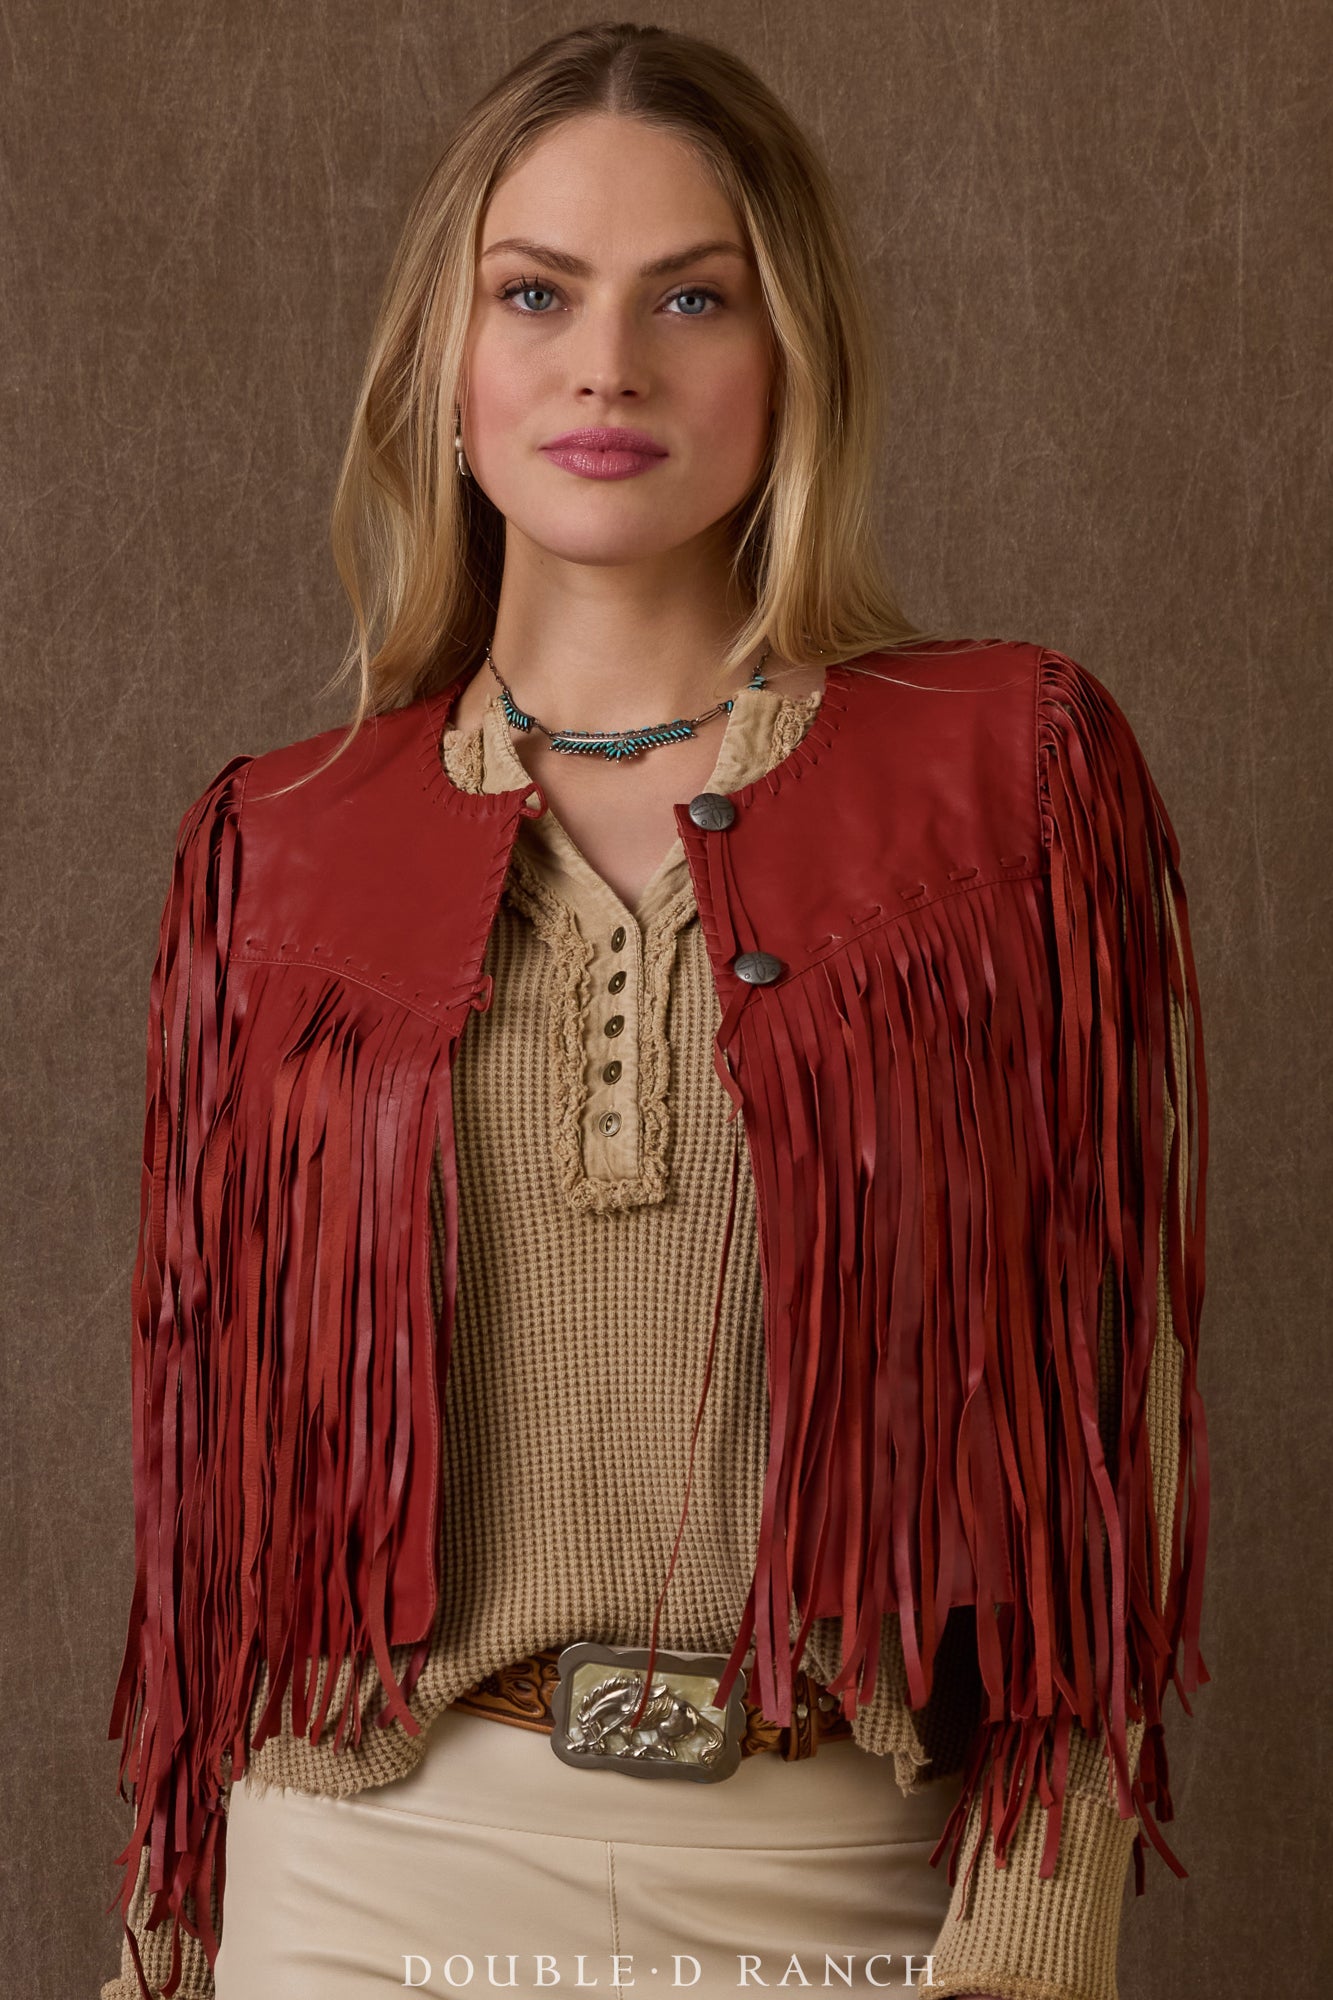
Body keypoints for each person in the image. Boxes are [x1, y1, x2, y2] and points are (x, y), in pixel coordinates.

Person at [101, 22, 1210, 2000]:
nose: (605, 364)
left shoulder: (1008, 780)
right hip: (362, 1886)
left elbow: (1108, 1416)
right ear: (446, 368)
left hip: (840, 1879)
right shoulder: (274, 847)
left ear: (792, 359)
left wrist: (1036, 1940)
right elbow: (212, 1513)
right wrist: (162, 1960)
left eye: (691, 297)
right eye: (535, 294)